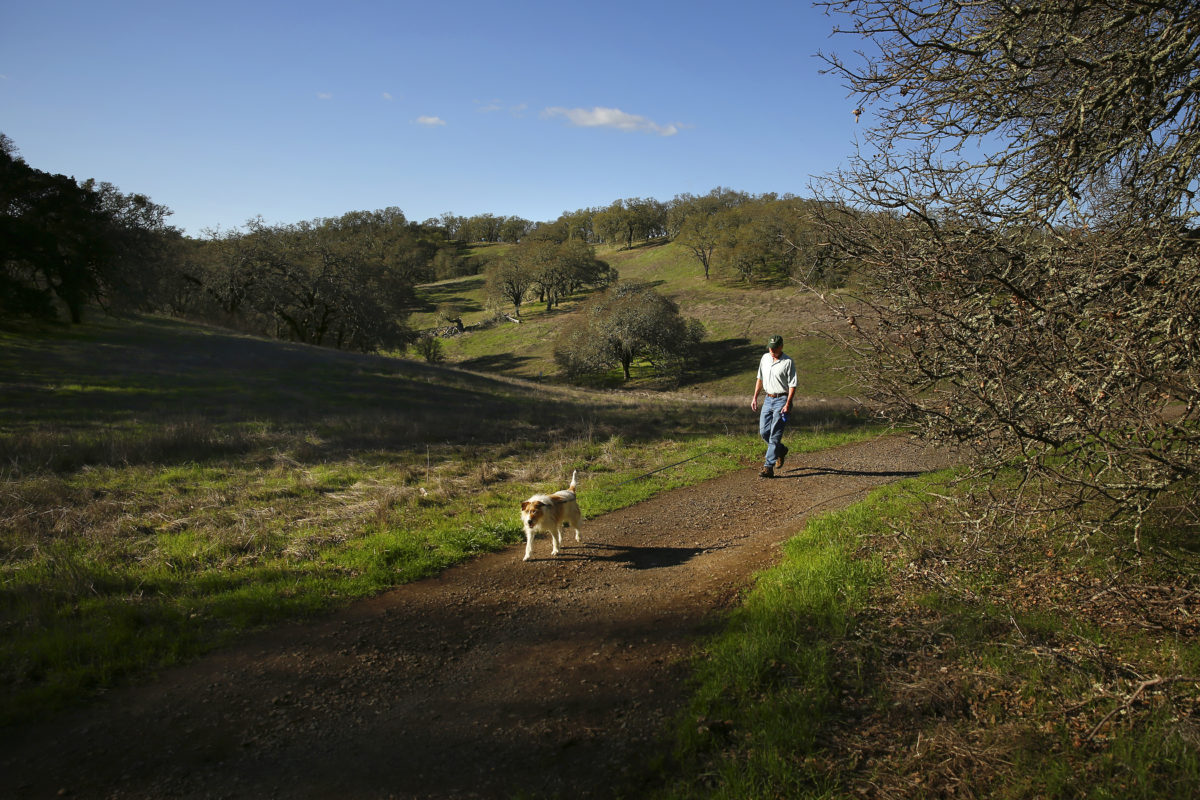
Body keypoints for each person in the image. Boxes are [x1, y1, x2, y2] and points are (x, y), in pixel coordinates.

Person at [750, 334, 796, 478]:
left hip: (781, 400)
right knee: (764, 432)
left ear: (781, 346)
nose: (772, 351)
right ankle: (780, 450)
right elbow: (760, 378)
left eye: (775, 348)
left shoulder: (788, 362)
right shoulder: (764, 358)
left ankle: (768, 467)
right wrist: (755, 397)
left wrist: (788, 404)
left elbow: (792, 385)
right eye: (770, 348)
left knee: (775, 434)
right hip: (768, 399)